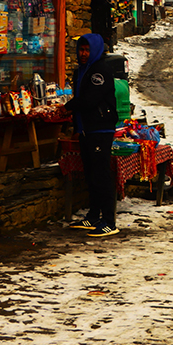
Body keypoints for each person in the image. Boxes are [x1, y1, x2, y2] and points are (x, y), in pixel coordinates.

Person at [65, 34, 120, 238]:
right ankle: (93, 215)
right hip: (87, 129)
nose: (83, 53)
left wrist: (67, 107)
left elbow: (89, 100)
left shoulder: (100, 71)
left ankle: (108, 221)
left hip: (100, 129)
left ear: (95, 50)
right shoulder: (81, 71)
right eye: (81, 49)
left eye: (87, 50)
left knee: (101, 175)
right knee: (90, 174)